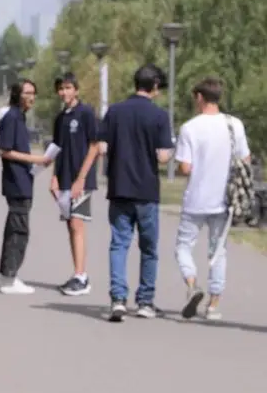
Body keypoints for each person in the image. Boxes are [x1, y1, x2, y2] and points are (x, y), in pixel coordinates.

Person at [78, 64, 174, 322]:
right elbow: (163, 157)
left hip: (119, 188)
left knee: (119, 244)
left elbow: (102, 147)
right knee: (149, 248)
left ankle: (118, 299)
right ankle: (145, 301)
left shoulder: (115, 112)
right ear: (154, 85)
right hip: (146, 190)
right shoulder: (159, 116)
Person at [173, 77, 250, 321]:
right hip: (225, 200)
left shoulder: (189, 128)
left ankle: (193, 284)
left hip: (196, 198)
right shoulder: (234, 124)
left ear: (199, 97)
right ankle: (214, 305)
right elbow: (245, 159)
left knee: (183, 247)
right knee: (218, 251)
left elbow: (185, 168)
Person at [0, 79, 53, 294]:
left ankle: (10, 274)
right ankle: (8, 278)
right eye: (27, 92)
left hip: (23, 181)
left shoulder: (19, 117)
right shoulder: (11, 117)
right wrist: (35, 159)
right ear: (17, 94)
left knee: (18, 228)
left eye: (33, 93)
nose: (32, 97)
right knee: (18, 230)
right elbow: (5, 150)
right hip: (16, 182)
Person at [50, 73, 99, 296]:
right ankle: (77, 273)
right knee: (71, 225)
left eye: (68, 87)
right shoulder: (60, 118)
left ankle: (82, 276)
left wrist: (81, 179)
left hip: (81, 180)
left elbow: (94, 146)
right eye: (61, 88)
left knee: (77, 225)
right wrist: (54, 177)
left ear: (76, 90)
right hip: (65, 179)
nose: (64, 92)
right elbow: (56, 149)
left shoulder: (86, 113)